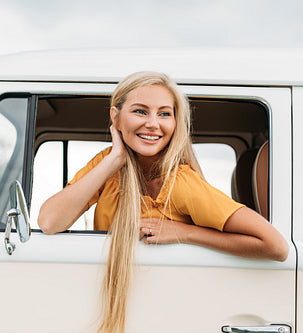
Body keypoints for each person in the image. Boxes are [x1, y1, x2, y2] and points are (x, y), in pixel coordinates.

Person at [37, 71, 289, 333]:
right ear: (116, 117)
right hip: (112, 309)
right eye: (140, 111)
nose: (153, 124)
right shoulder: (107, 165)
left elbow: (276, 246)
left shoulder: (181, 183)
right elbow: (49, 221)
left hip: (167, 312)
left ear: (176, 122)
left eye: (164, 114)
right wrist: (114, 159)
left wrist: (186, 233)